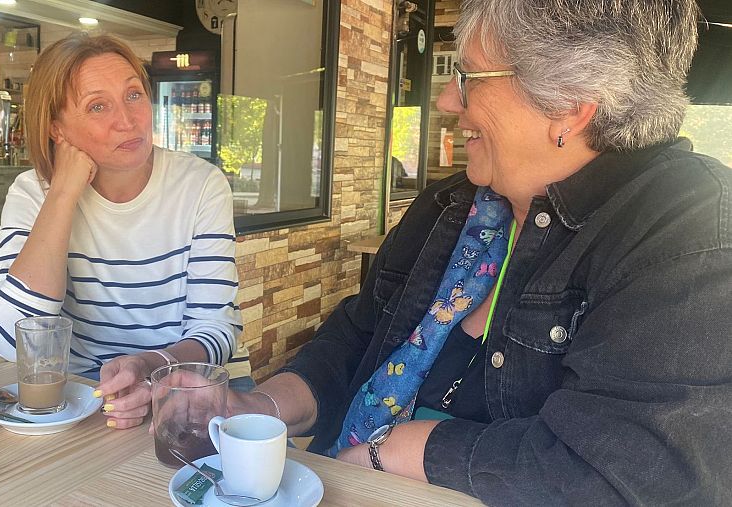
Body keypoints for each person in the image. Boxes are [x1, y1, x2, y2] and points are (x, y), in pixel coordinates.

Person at [227, 0, 732, 504]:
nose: (448, 101)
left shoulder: (691, 229)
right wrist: (257, 407)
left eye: (469, 77)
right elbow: (358, 336)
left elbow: (630, 470)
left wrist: (402, 449)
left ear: (570, 103)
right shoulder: (448, 206)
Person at [0, 34, 244, 430]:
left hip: (189, 391)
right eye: (97, 106)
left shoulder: (200, 185)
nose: (127, 119)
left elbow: (215, 328)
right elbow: (8, 340)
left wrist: (152, 368)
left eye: (133, 95)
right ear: (57, 129)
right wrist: (63, 193)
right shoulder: (34, 193)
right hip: (83, 400)